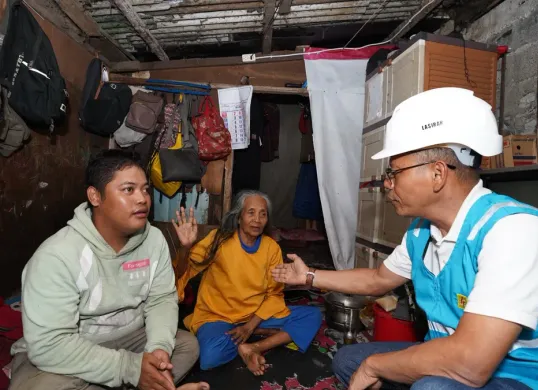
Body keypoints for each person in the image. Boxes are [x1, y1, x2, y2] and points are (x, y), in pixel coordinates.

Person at [272, 88, 538, 390]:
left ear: (437, 174)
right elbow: (376, 279)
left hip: (513, 377)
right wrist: (308, 276)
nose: (387, 184)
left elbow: (470, 364)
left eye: (394, 172)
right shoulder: (421, 231)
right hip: (443, 356)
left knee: (429, 386)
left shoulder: (512, 230)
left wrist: (375, 367)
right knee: (348, 361)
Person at [9, 150, 208, 390]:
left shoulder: (153, 239)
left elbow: (161, 298)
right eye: (128, 189)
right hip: (77, 344)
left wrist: (158, 350)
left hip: (131, 338)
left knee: (187, 345)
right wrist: (129, 368)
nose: (142, 199)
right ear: (95, 196)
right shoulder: (57, 255)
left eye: (145, 189)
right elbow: (50, 345)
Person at [172, 190, 322, 376]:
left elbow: (274, 294)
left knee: (313, 315)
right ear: (238, 217)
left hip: (255, 315)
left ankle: (253, 346)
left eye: (263, 214)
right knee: (209, 357)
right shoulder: (219, 239)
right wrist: (185, 248)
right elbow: (183, 271)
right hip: (218, 316)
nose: (257, 219)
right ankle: (262, 333)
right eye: (251, 212)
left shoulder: (271, 248)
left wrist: (250, 326)